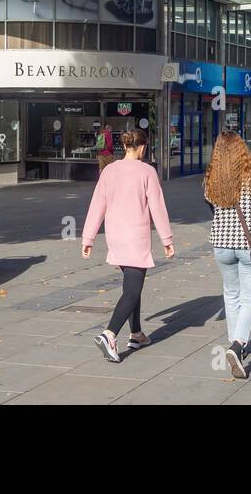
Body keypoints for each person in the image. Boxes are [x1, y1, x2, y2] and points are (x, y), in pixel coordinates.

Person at [81, 129, 174, 363]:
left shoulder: (109, 171)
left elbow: (97, 205)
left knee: (133, 286)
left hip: (116, 237)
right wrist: (167, 240)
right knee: (132, 290)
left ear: (125, 147)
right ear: (142, 148)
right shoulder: (147, 172)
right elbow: (157, 208)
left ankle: (136, 334)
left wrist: (88, 238)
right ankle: (109, 334)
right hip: (136, 238)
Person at [203, 131, 251, 379]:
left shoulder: (211, 180)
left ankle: (236, 346)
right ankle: (237, 345)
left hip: (222, 246)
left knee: (231, 295)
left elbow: (211, 208)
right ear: (243, 151)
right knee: (250, 298)